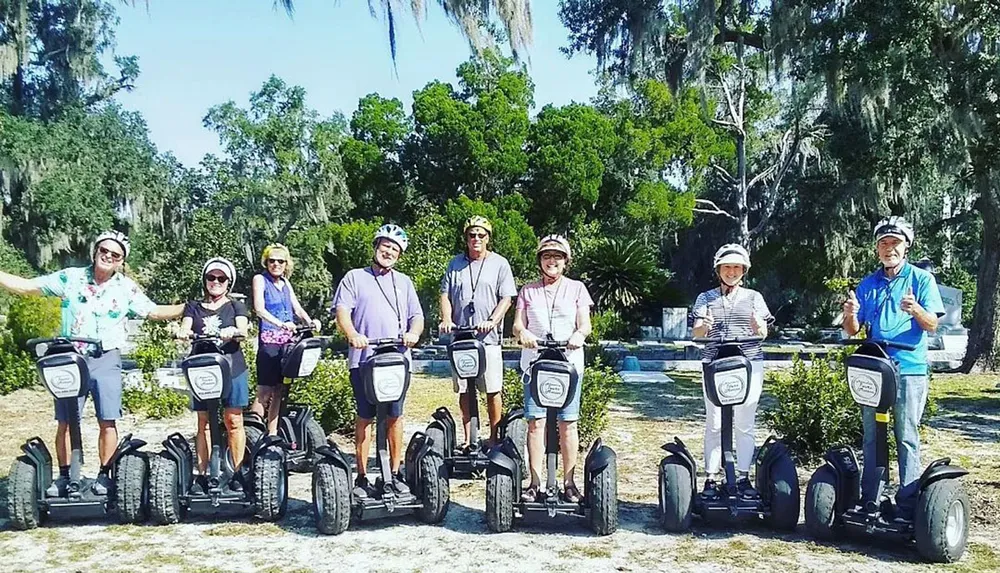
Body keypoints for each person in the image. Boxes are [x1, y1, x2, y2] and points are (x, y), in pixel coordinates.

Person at [0, 231, 183, 496]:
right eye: (104, 251)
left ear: (121, 261)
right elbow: (28, 287)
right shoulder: (71, 278)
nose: (108, 256)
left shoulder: (125, 287)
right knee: (66, 420)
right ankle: (65, 476)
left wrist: (191, 307)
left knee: (107, 420)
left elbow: (154, 311)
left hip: (106, 357)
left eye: (115, 254)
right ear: (95, 251)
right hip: (71, 358)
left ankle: (104, 475)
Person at [842, 215, 944, 519]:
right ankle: (872, 497)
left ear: (906, 247)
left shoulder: (921, 280)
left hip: (909, 368)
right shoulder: (868, 284)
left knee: (906, 434)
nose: (889, 249)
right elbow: (852, 330)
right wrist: (850, 313)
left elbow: (933, 325)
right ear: (877, 249)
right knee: (872, 433)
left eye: (895, 243)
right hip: (875, 369)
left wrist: (915, 310)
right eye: (884, 244)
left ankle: (908, 502)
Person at [332, 224, 423, 497]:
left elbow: (416, 316)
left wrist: (414, 333)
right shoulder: (354, 278)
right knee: (366, 417)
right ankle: (361, 476)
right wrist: (352, 334)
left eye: (395, 249)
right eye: (385, 246)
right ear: (376, 247)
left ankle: (393, 474)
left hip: (396, 360)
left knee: (394, 417)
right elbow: (342, 311)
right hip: (364, 359)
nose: (389, 251)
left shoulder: (404, 282)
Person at [511, 234, 593, 504]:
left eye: (557, 256)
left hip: (568, 364)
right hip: (535, 364)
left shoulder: (577, 288)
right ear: (540, 260)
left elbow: (585, 324)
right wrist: (523, 334)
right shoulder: (528, 290)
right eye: (547, 256)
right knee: (535, 424)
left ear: (565, 261)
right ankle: (535, 483)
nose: (552, 261)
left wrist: (579, 336)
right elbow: (517, 325)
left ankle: (569, 484)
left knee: (568, 424)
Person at [691, 243, 772, 499]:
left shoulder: (754, 297)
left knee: (745, 423)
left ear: (744, 270)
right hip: (714, 362)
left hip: (748, 363)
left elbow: (763, 332)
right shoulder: (706, 298)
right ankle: (712, 478)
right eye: (727, 267)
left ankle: (743, 477)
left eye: (737, 267)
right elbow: (697, 333)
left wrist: (758, 326)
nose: (732, 271)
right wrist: (704, 326)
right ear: (719, 269)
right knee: (714, 422)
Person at [439, 216, 517, 449]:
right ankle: (469, 437)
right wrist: (446, 319)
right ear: (466, 237)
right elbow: (445, 294)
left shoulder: (499, 263)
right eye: (472, 235)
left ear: (488, 238)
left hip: (488, 339)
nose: (476, 239)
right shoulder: (455, 264)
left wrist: (493, 320)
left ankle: (494, 438)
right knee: (464, 389)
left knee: (492, 389)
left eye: (481, 235)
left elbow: (507, 298)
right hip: (461, 337)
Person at [177, 257, 249, 493]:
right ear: (205, 280)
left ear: (229, 282)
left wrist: (234, 332)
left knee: (233, 421)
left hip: (231, 367)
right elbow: (186, 327)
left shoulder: (236, 306)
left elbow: (243, 330)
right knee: (204, 422)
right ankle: (205, 474)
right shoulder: (193, 306)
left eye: (221, 278)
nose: (215, 282)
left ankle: (237, 472)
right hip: (202, 369)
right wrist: (183, 333)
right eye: (211, 277)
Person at [250, 243, 321, 436]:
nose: (276, 264)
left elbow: (296, 308)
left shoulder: (285, 283)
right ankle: (253, 433)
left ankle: (272, 434)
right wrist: (280, 323)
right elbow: (259, 309)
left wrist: (310, 321)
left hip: (288, 343)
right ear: (266, 262)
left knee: (280, 390)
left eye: (280, 261)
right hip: (270, 341)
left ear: (286, 263)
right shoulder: (260, 279)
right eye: (272, 260)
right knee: (265, 391)